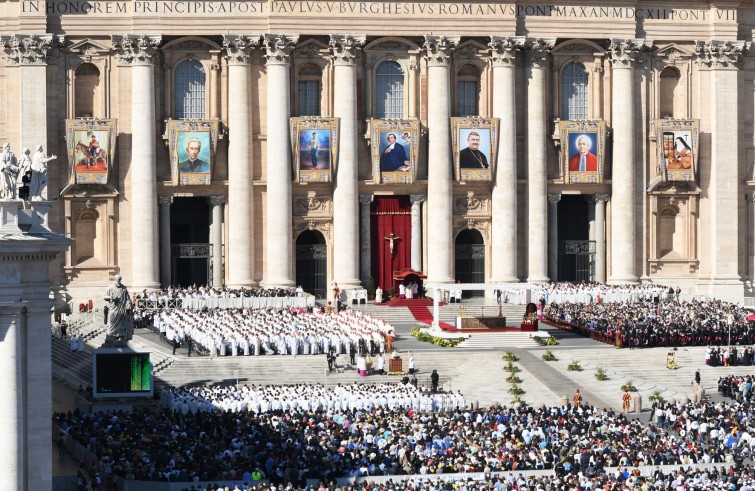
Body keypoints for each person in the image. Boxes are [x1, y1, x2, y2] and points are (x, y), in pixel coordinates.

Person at [104, 274, 134, 341]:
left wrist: (128, 303)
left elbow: (128, 298)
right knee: (111, 322)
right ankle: (109, 336)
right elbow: (105, 297)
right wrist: (110, 297)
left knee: (121, 323)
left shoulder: (124, 288)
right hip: (113, 309)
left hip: (122, 309)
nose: (118, 281)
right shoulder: (110, 287)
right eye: (117, 280)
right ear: (115, 279)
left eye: (119, 280)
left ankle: (120, 336)